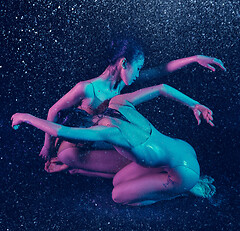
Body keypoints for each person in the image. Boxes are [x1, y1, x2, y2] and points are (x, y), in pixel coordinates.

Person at [39, 38, 226, 174]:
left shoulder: (123, 82)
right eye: (137, 68)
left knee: (141, 156)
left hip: (99, 141)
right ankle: (71, 165)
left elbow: (162, 70)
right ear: (123, 63)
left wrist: (194, 58)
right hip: (72, 147)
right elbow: (54, 110)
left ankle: (75, 168)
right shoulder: (87, 88)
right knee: (139, 164)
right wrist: (47, 147)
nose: (138, 73)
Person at [12, 83, 216, 206]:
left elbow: (60, 131)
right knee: (119, 179)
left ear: (84, 135)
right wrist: (194, 104)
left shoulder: (108, 132)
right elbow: (161, 88)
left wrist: (27, 117)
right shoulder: (119, 102)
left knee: (118, 195)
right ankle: (179, 183)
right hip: (184, 148)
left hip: (183, 173)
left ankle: (183, 190)